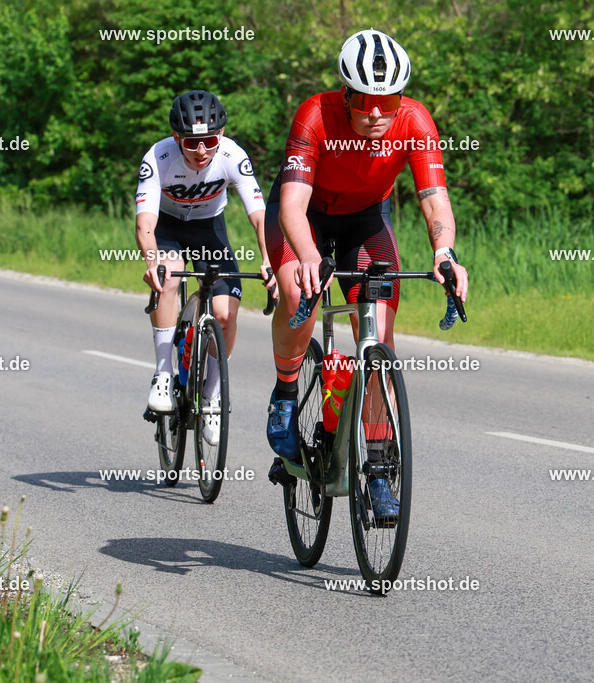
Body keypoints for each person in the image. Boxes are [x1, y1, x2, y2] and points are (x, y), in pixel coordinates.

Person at [264, 29, 469, 516]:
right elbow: (293, 204)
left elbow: (433, 197)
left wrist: (444, 253)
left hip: (365, 222)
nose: (376, 112)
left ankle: (378, 464)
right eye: (364, 99)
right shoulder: (315, 115)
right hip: (306, 216)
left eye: (389, 98)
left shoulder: (416, 121)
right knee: (297, 291)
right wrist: (309, 256)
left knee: (376, 337)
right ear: (345, 93)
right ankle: (286, 391)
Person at [137, 89, 276, 445]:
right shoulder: (158, 157)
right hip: (168, 228)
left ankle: (212, 397)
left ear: (222, 135)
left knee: (225, 311)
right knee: (167, 279)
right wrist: (152, 263)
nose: (202, 151)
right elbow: (146, 223)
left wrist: (268, 258)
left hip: (209, 229)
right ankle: (163, 374)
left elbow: (259, 216)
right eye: (192, 143)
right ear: (176, 138)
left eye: (210, 141)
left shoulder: (232, 156)